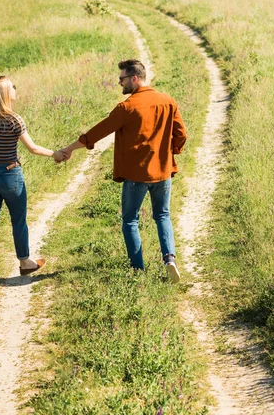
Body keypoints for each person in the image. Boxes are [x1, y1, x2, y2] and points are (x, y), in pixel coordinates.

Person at [61, 59, 187, 283]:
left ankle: (138, 271)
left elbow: (97, 133)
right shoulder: (168, 101)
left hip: (136, 175)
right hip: (163, 172)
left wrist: (70, 149)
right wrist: (168, 153)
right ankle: (170, 260)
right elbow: (181, 134)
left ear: (134, 78)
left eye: (122, 79)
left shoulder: (127, 107)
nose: (120, 83)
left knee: (130, 220)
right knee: (163, 215)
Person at [0, 75, 65, 285]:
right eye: (12, 87)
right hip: (10, 175)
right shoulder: (15, 119)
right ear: (6, 93)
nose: (15, 89)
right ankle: (25, 262)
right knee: (19, 220)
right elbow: (32, 148)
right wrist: (55, 154)